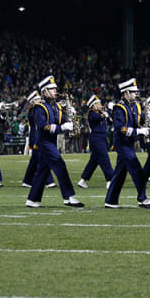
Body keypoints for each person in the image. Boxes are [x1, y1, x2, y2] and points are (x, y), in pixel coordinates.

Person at [25, 76, 83, 208]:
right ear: (44, 91)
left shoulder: (56, 106)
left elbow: (60, 121)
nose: (55, 91)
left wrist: (70, 119)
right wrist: (62, 128)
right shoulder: (39, 107)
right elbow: (43, 126)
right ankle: (69, 197)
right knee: (60, 164)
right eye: (52, 89)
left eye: (55, 88)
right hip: (44, 142)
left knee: (42, 171)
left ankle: (32, 199)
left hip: (51, 141)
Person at [104, 79, 150, 209]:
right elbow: (121, 129)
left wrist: (149, 117)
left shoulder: (135, 105)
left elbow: (139, 119)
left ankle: (110, 201)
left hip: (129, 143)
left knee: (120, 173)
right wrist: (139, 131)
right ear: (125, 93)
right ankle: (142, 198)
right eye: (133, 92)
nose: (135, 94)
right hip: (122, 143)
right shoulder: (119, 108)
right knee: (136, 168)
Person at [78, 95, 113, 189]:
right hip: (96, 138)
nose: (101, 105)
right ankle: (110, 179)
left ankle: (83, 180)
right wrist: (105, 113)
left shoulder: (100, 112)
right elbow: (98, 118)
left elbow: (109, 121)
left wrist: (109, 113)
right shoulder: (91, 113)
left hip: (101, 137)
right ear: (93, 105)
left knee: (94, 161)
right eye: (98, 104)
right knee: (104, 159)